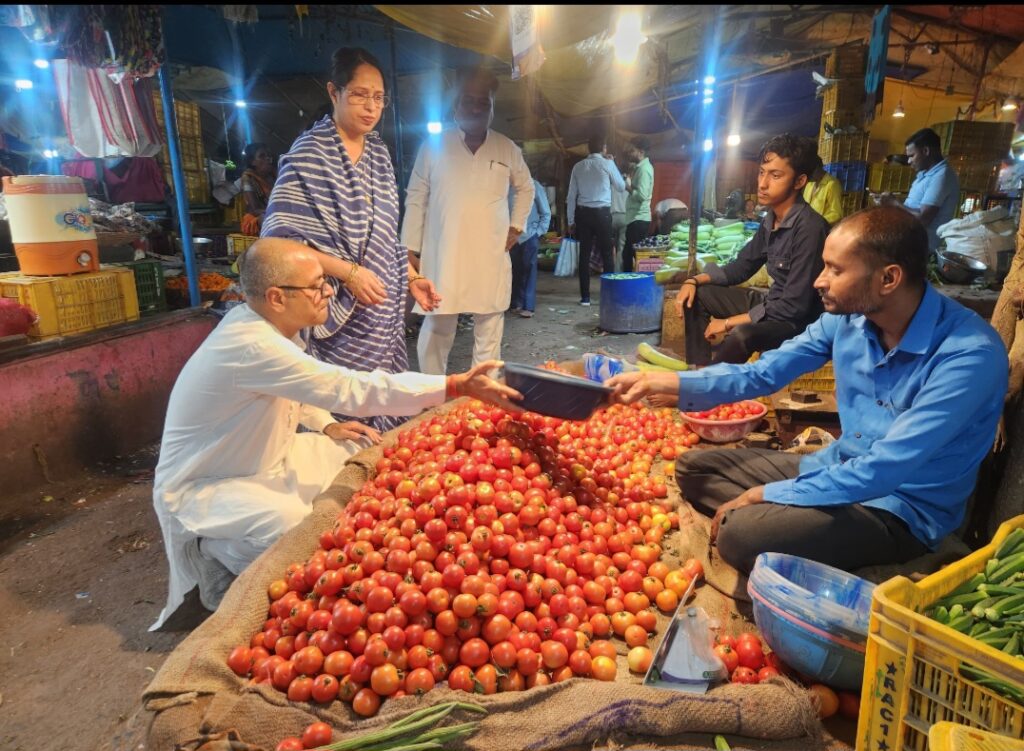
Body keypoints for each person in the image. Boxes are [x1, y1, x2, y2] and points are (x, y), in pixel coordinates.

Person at [608, 207, 1008, 574]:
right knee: (694, 469)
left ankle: (787, 526)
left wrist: (766, 494)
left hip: (898, 510)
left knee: (740, 535)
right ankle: (793, 520)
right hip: (835, 466)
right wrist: (666, 382)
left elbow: (884, 469)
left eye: (835, 270)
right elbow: (764, 374)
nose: (819, 281)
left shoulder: (968, 355)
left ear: (888, 278)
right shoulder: (849, 321)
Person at [150, 238, 522, 629]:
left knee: (353, 453)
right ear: (277, 297)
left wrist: (326, 423)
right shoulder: (251, 344)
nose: (329, 291)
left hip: (265, 456)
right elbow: (350, 388)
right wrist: (455, 385)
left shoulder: (269, 328)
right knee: (290, 528)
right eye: (317, 286)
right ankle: (212, 556)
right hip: (210, 483)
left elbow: (295, 384)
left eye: (325, 281)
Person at [262, 48, 441, 433]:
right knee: (341, 408)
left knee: (382, 405)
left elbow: (385, 235)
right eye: (360, 94)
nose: (370, 106)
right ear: (334, 92)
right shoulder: (309, 155)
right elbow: (278, 243)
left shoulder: (379, 153)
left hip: (381, 312)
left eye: (378, 98)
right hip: (334, 313)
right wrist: (349, 273)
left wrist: (411, 277)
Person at [402, 66, 534, 374]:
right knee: (437, 327)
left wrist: (517, 225)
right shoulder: (434, 145)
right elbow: (416, 196)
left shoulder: (506, 147)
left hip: (489, 254)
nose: (476, 107)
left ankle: (482, 399)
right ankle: (431, 392)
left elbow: (526, 187)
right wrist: (410, 247)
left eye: (483, 102)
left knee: (489, 327)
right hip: (444, 252)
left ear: (492, 108)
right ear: (455, 105)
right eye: (468, 100)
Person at [676, 133, 829, 366]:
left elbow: (793, 307)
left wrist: (727, 323)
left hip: (796, 321)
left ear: (799, 182)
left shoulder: (810, 228)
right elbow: (741, 268)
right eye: (761, 172)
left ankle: (710, 390)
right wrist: (693, 281)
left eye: (775, 175)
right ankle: (698, 370)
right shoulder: (771, 219)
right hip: (772, 305)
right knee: (698, 295)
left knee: (742, 335)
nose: (763, 183)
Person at [878, 128, 960, 253]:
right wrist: (889, 203)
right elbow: (912, 208)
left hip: (920, 248)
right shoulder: (925, 174)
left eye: (912, 156)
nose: (909, 161)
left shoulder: (942, 176)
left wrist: (894, 203)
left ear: (926, 151)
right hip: (908, 239)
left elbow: (923, 219)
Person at [567, 133, 626, 305]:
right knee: (607, 254)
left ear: (588, 148)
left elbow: (571, 196)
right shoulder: (607, 164)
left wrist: (571, 220)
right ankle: (609, 295)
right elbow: (621, 187)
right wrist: (612, 163)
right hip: (602, 214)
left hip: (583, 214)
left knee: (584, 255)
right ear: (604, 148)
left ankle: (585, 298)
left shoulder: (578, 166)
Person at [509, 177, 551, 318]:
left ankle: (528, 306)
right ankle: (516, 303)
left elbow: (546, 212)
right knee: (515, 270)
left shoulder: (534, 185)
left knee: (529, 270)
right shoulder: (505, 186)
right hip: (511, 237)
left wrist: (538, 232)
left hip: (529, 235)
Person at [622, 135, 654, 272]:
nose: (630, 153)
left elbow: (642, 195)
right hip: (635, 218)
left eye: (632, 150)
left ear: (641, 152)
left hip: (639, 219)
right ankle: (633, 283)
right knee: (631, 254)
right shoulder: (640, 168)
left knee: (631, 255)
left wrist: (627, 187)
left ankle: (632, 284)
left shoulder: (644, 169)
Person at [239, 142, 275, 235]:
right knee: (269, 220)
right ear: (252, 162)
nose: (267, 158)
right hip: (255, 220)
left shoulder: (273, 176)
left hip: (274, 214)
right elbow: (254, 209)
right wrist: (276, 212)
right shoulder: (248, 177)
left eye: (268, 155)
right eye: (262, 156)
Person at [802, 151, 843, 226]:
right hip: (808, 226)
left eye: (811, 173)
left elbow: (837, 214)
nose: (809, 177)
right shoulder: (809, 184)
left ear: (818, 168)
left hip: (822, 228)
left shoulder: (832, 184)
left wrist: (818, 221)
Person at [610, 169, 629, 271]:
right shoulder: (629, 183)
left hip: (612, 217)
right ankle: (617, 271)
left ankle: (608, 269)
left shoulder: (612, 184)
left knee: (610, 245)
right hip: (624, 216)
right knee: (621, 247)